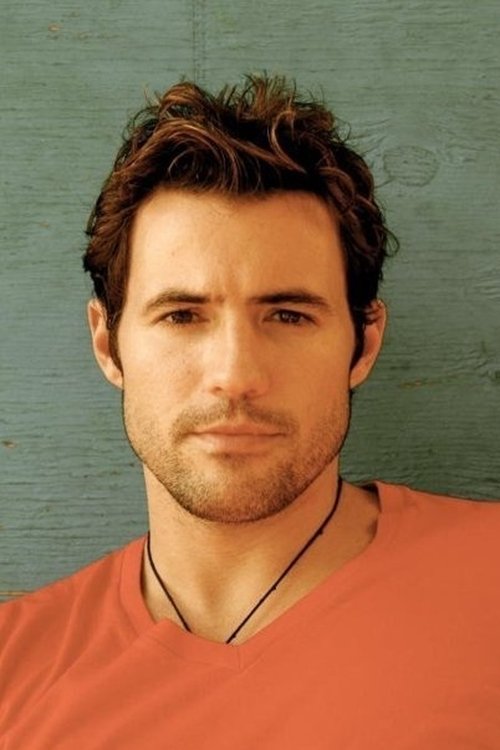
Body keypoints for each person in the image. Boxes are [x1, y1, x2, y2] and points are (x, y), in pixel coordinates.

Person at [1, 74, 499, 749]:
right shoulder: (13, 673)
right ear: (108, 344)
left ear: (364, 343)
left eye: (288, 315)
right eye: (182, 316)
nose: (235, 377)